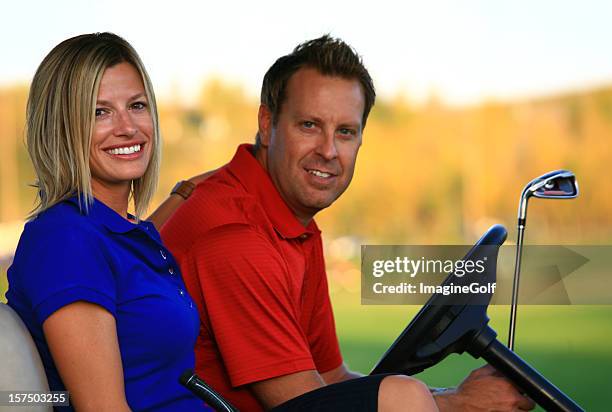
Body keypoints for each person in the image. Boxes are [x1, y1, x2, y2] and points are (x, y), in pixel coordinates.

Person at [156, 35, 536, 411]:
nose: (328, 150)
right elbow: (306, 406)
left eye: (345, 132)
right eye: (309, 125)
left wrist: (447, 397)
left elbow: (330, 379)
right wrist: (456, 404)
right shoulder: (235, 235)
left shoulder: (293, 225)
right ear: (267, 122)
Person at [6, 33, 209, 411]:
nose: (128, 127)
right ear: (62, 127)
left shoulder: (122, 229)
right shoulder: (66, 239)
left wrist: (182, 193)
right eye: (99, 112)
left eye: (136, 105)